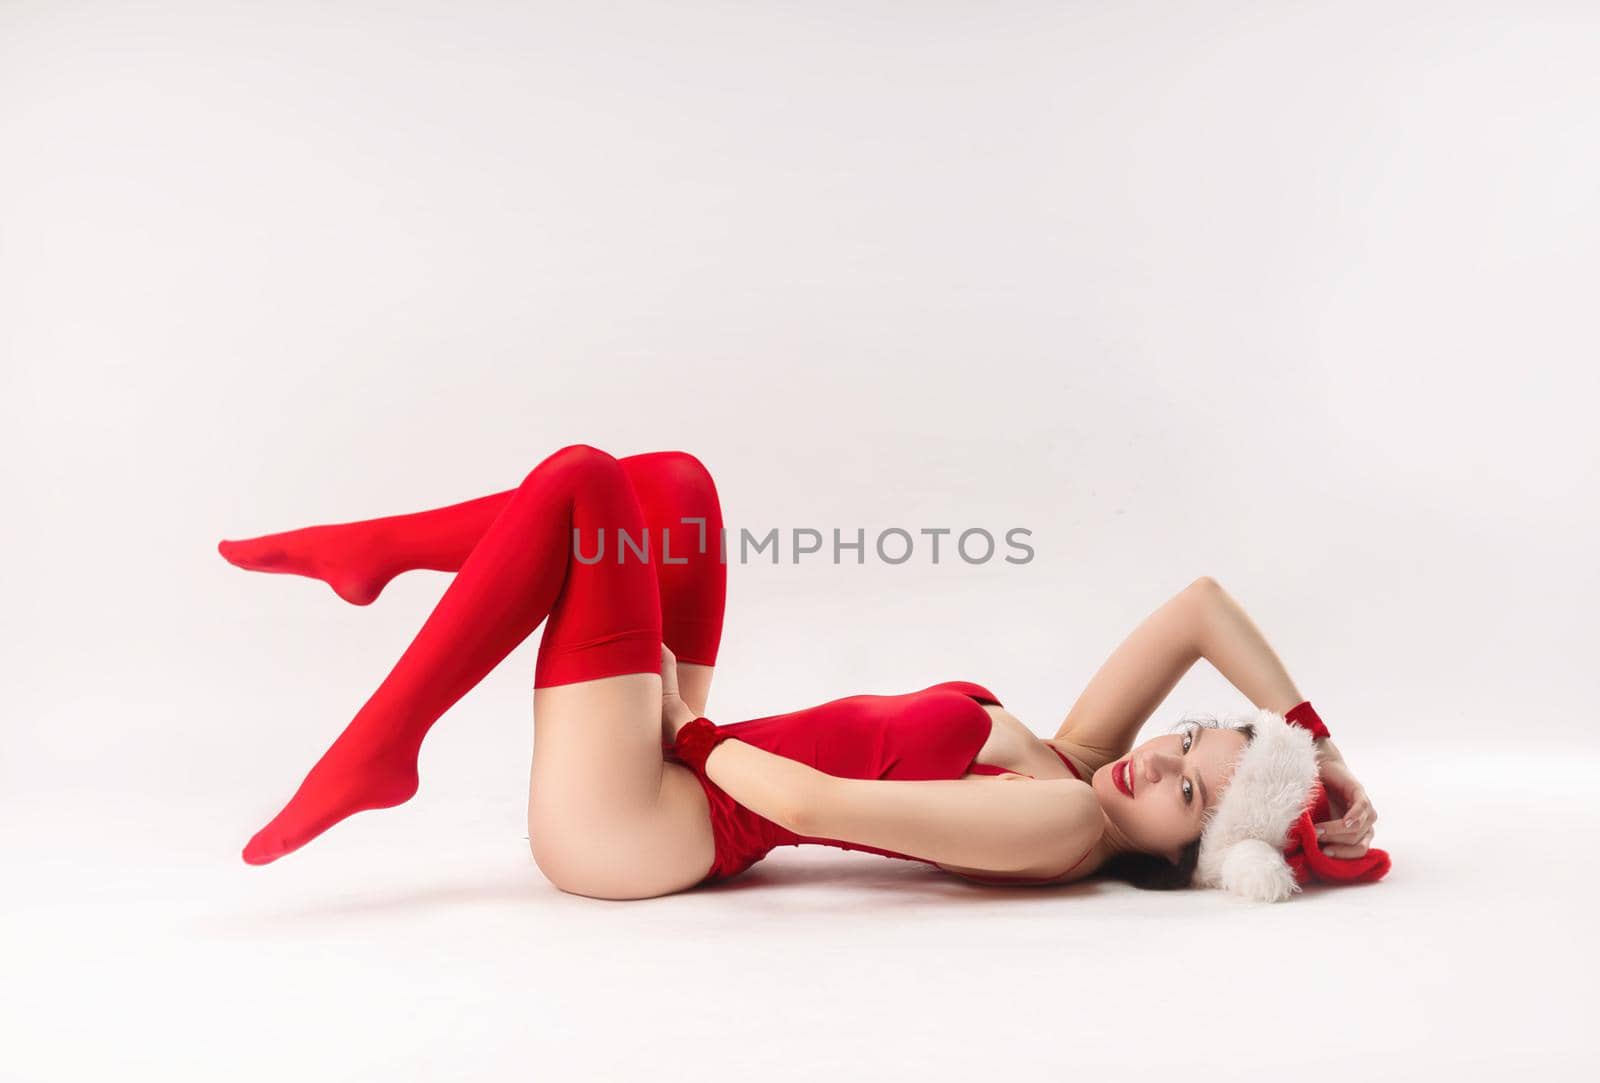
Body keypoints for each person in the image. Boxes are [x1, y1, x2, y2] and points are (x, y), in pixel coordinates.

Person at [217, 445, 1388, 902]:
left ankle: (378, 747)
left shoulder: (1057, 825)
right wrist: (1310, 739)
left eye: (1187, 791)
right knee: (673, 488)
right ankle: (380, 560)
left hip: (643, 827)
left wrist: (688, 735)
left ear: (1186, 857)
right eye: (1188, 740)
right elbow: (1197, 608)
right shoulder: (1085, 763)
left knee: (584, 486)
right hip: (676, 770)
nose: (1160, 761)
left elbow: (825, 806)